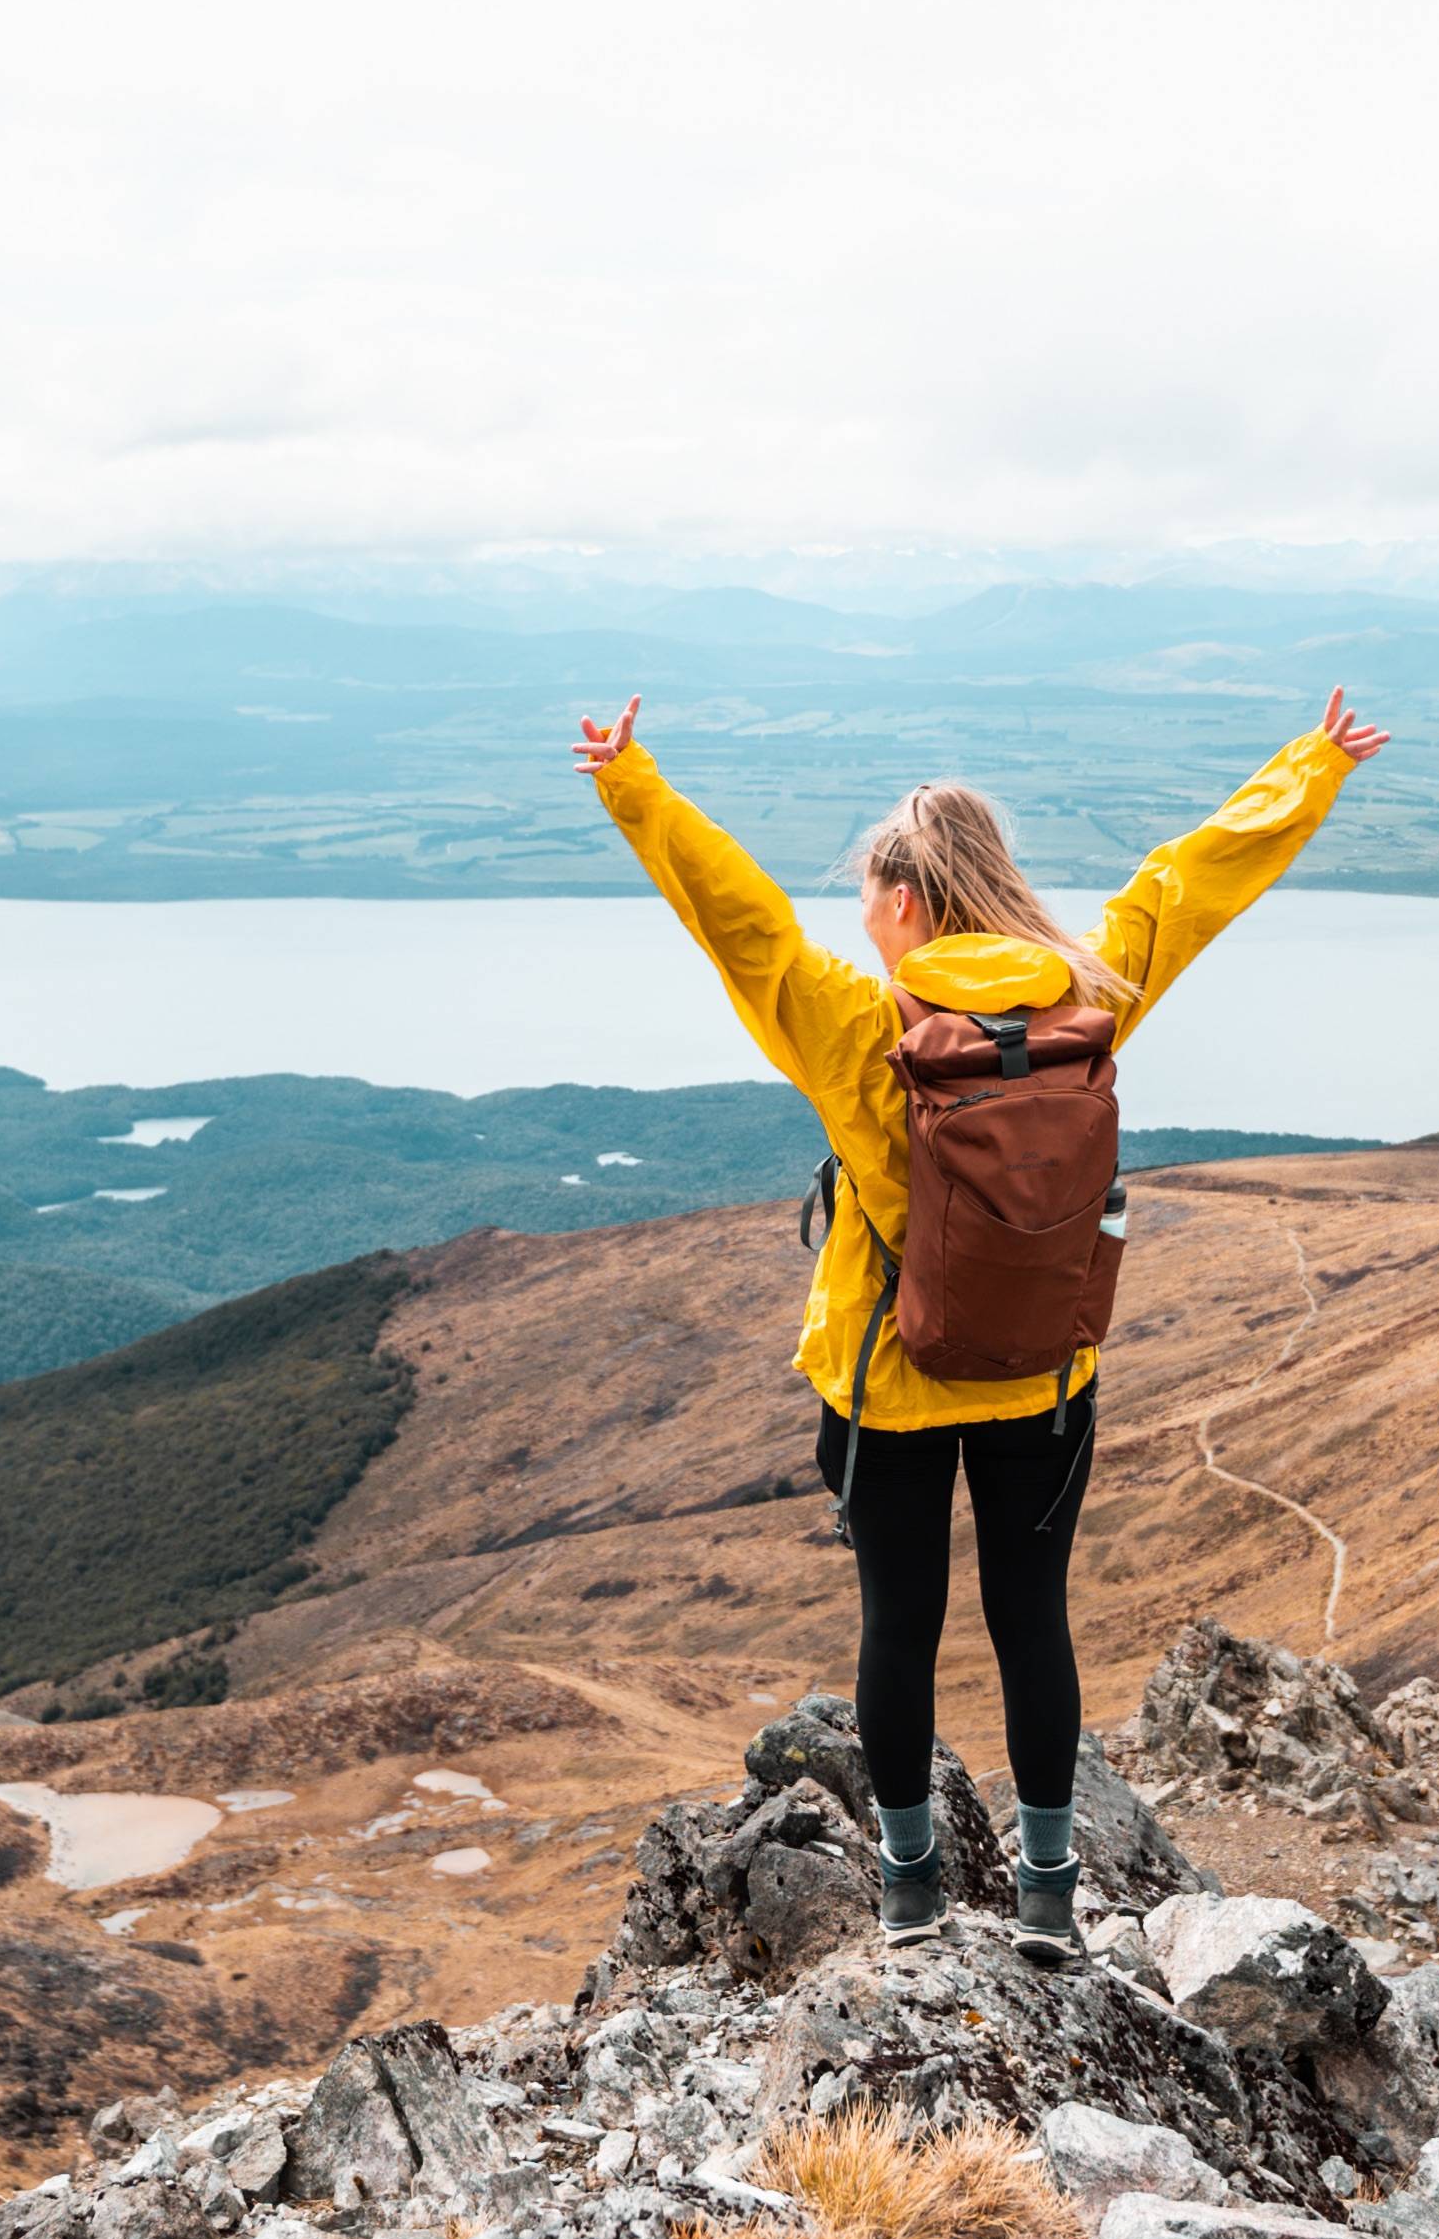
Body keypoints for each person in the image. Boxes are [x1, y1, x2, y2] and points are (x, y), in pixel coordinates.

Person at [577, 685, 1391, 1956]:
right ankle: (1050, 1894)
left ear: (903, 902)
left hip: (892, 1383)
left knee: (899, 1625)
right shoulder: (1092, 997)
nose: (860, 918)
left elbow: (734, 918)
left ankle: (910, 1892)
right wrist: (1314, 767)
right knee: (1034, 1620)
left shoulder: (863, 1031)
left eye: (865, 899)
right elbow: (1192, 881)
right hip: (1045, 1380)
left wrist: (632, 783)